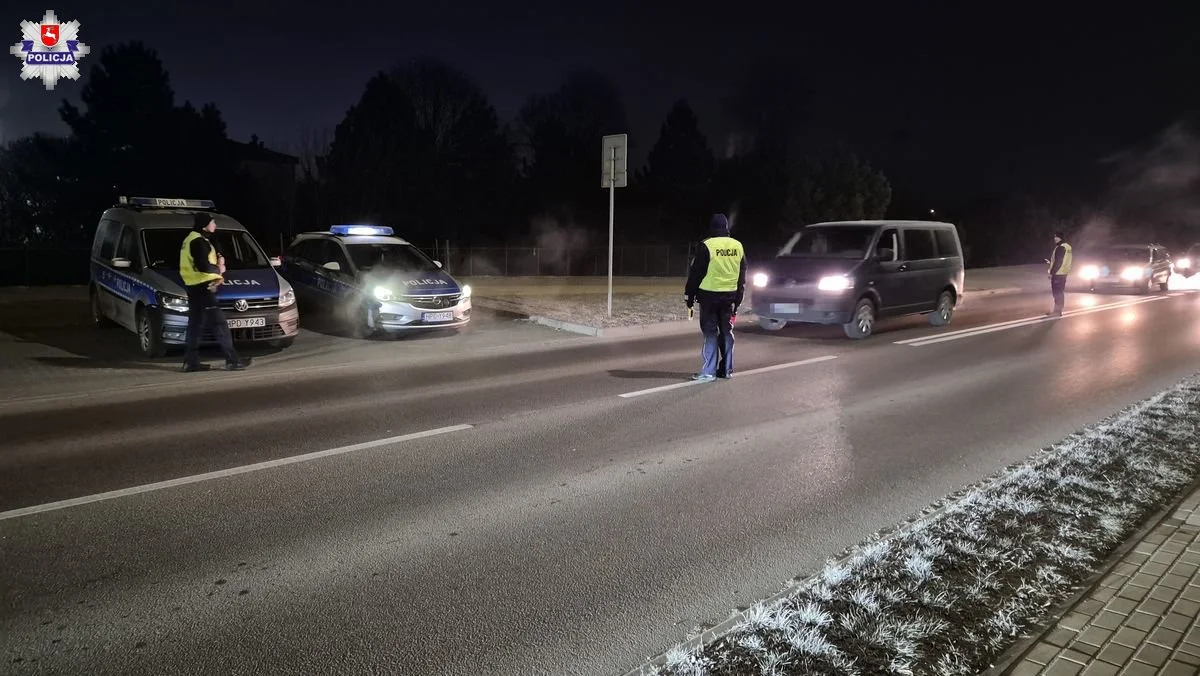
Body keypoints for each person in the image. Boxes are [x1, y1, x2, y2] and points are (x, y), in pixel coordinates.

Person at [179, 213, 250, 372]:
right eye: (213, 222)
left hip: (193, 287)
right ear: (205, 225)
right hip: (204, 288)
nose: (215, 224)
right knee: (219, 324)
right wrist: (220, 269)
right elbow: (203, 266)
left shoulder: (191, 239)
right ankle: (233, 360)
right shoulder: (198, 241)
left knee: (195, 325)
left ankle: (191, 362)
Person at [685, 214, 747, 381]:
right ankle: (726, 370)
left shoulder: (707, 245)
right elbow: (742, 275)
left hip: (709, 297)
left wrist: (689, 296)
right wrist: (738, 299)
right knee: (726, 332)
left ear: (712, 228)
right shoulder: (738, 246)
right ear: (727, 229)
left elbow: (696, 274)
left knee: (710, 333)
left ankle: (708, 371)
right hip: (730, 297)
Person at [1046, 231, 1073, 317]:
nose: (1055, 239)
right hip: (1063, 273)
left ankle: (1057, 311)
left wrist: (1051, 272)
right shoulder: (1068, 247)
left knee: (1057, 293)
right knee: (1060, 292)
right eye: (1054, 237)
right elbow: (1062, 261)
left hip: (1058, 274)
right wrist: (1050, 262)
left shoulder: (1061, 247)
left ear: (1060, 238)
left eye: (1056, 237)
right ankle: (1058, 311)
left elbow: (1058, 262)